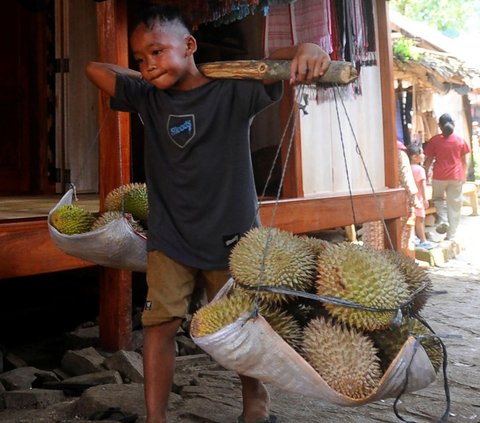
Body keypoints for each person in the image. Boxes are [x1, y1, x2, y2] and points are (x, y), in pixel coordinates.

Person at [85, 5, 331, 423]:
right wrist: (151, 72)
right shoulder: (149, 98)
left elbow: (277, 64)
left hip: (233, 239)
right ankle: (155, 417)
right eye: (140, 59)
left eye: (158, 52)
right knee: (160, 326)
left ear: (190, 45)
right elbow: (94, 68)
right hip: (170, 238)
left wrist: (306, 47)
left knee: (243, 326)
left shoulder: (234, 92)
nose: (148, 65)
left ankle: (255, 402)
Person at [424, 113, 471, 241]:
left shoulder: (434, 140)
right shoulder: (460, 140)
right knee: (454, 205)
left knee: (438, 199)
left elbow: (428, 160)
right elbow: (464, 161)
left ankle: (443, 220)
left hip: (439, 176)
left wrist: (425, 176)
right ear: (453, 124)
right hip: (457, 176)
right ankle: (451, 235)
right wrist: (464, 175)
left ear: (439, 125)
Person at [407, 143, 433, 249]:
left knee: (411, 220)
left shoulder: (407, 168)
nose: (424, 155)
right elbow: (422, 186)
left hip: (409, 198)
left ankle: (414, 238)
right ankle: (423, 240)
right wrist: (425, 199)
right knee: (420, 220)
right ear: (414, 157)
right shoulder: (419, 169)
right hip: (418, 198)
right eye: (421, 153)